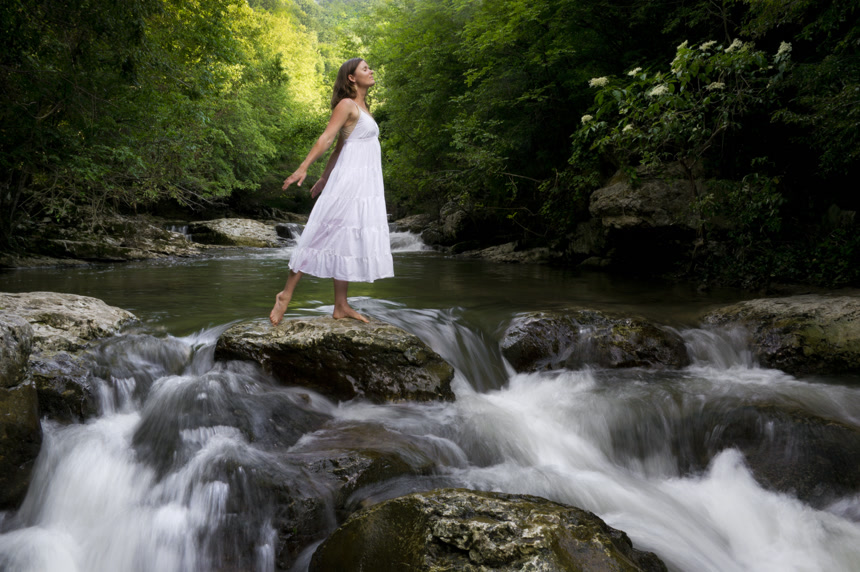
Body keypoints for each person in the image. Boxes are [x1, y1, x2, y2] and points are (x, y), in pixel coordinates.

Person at [269, 58, 394, 326]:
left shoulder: (363, 107)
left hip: (362, 184)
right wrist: (304, 168)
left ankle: (341, 305)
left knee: (345, 238)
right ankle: (285, 295)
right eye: (364, 69)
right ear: (351, 78)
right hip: (348, 182)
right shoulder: (346, 105)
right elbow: (326, 138)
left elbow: (340, 147)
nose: (371, 71)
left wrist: (324, 177)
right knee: (320, 232)